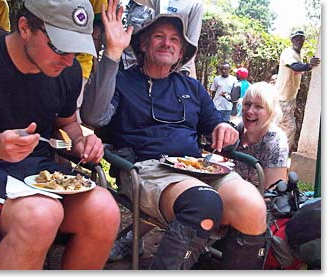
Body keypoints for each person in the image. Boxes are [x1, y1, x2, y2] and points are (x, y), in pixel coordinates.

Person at [81, 0, 267, 270]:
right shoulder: (123, 80)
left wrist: (226, 131)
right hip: (146, 170)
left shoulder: (191, 86)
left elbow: (217, 127)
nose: (167, 43)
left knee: (253, 206)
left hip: (200, 168)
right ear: (143, 44)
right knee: (202, 204)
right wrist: (111, 53)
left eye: (174, 40)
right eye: (159, 36)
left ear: (181, 51)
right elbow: (93, 117)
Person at [0, 0, 120, 270]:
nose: (69, 60)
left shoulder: (66, 70)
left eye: (76, 48)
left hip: (35, 171)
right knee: (41, 214)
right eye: (59, 46)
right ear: (24, 27)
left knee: (104, 209)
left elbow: (68, 125)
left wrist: (81, 142)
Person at [233, 82, 289, 189]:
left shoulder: (276, 143)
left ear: (271, 112)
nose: (250, 111)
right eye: (247, 104)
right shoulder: (235, 130)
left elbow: (272, 194)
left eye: (258, 107)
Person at [129, 0, 204, 78]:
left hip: (178, 62)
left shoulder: (195, 5)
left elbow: (192, 39)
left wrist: (184, 71)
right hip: (155, 60)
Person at [275, 30, 320, 150]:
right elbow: (294, 66)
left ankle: (274, 152)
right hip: (282, 98)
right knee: (289, 128)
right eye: (296, 39)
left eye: (301, 39)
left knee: (278, 127)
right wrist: (309, 66)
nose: (299, 41)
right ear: (292, 40)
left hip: (289, 99)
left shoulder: (298, 54)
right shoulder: (288, 53)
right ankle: (281, 154)